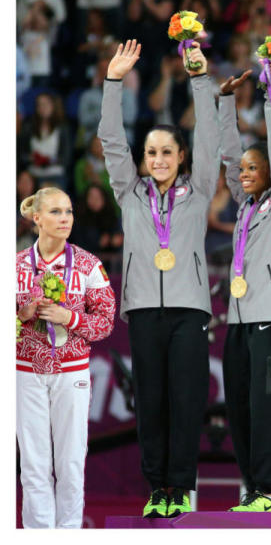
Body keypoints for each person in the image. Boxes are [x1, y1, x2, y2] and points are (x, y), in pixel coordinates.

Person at [99, 39, 218, 518]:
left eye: (167, 152)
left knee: (186, 401)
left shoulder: (201, 187)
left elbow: (209, 137)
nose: (158, 159)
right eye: (151, 152)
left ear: (182, 156)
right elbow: (111, 141)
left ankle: (180, 488)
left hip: (189, 309)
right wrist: (112, 84)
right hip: (145, 308)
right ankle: (158, 490)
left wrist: (200, 79)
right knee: (151, 402)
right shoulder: (129, 192)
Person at [218, 56, 271, 513]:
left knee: (265, 410)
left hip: (269, 319)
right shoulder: (246, 207)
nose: (245, 172)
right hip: (239, 320)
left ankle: (267, 490)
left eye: (254, 167)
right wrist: (226, 105)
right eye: (244, 168)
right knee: (241, 411)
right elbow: (230, 158)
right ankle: (253, 490)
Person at [16, 187, 116, 528]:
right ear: (37, 218)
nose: (65, 219)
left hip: (71, 373)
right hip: (24, 373)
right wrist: (21, 313)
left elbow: (105, 322)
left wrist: (68, 318)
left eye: (69, 212)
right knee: (33, 464)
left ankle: (69, 533)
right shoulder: (13, 266)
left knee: (71, 462)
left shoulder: (88, 264)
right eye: (56, 212)